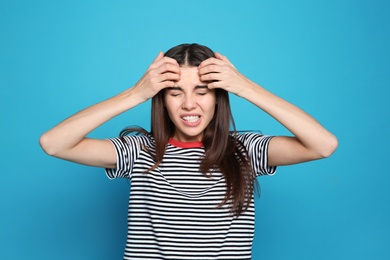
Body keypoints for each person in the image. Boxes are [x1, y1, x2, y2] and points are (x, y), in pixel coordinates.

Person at [39, 43, 338, 260]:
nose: (189, 105)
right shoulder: (139, 151)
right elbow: (54, 143)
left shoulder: (245, 150)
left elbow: (323, 145)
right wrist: (135, 93)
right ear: (162, 100)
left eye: (202, 92)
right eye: (175, 92)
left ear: (219, 98)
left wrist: (245, 87)